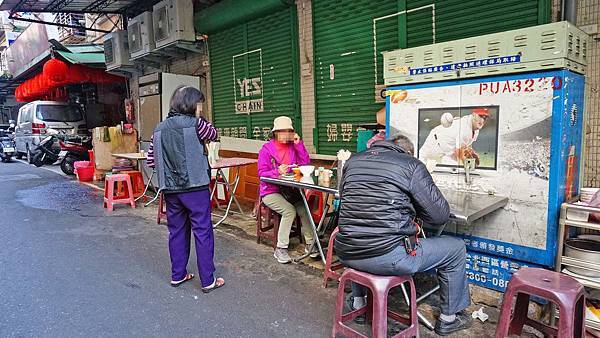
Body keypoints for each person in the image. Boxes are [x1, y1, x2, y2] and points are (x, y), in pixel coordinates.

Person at [335, 134, 472, 336]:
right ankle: (448, 319)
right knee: (456, 248)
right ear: (408, 152)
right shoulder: (411, 165)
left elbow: (348, 198)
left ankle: (359, 304)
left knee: (361, 233)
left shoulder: (353, 161)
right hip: (388, 257)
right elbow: (440, 215)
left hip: (347, 252)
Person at [147, 86, 225, 293]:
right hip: (195, 188)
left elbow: (151, 160)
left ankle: (178, 274)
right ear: (192, 104)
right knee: (202, 231)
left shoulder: (158, 129)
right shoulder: (198, 124)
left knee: (177, 231)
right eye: (199, 104)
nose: (201, 107)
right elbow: (214, 134)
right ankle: (208, 280)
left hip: (171, 190)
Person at [257, 116, 316, 264]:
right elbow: (261, 174)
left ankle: (311, 244)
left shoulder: (292, 146)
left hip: (289, 189)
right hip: (270, 191)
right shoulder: (266, 150)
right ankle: (280, 249)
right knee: (289, 210)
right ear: (275, 133)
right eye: (281, 131)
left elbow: (305, 164)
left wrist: (299, 145)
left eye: (288, 131)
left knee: (303, 208)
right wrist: (277, 171)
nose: (285, 135)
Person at [418, 108, 490, 170]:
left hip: (449, 148)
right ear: (474, 115)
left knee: (453, 169)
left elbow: (466, 147)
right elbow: (458, 152)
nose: (482, 120)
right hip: (436, 141)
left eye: (485, 117)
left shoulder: (476, 129)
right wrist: (468, 163)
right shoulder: (465, 129)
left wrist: (470, 154)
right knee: (420, 160)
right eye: (480, 116)